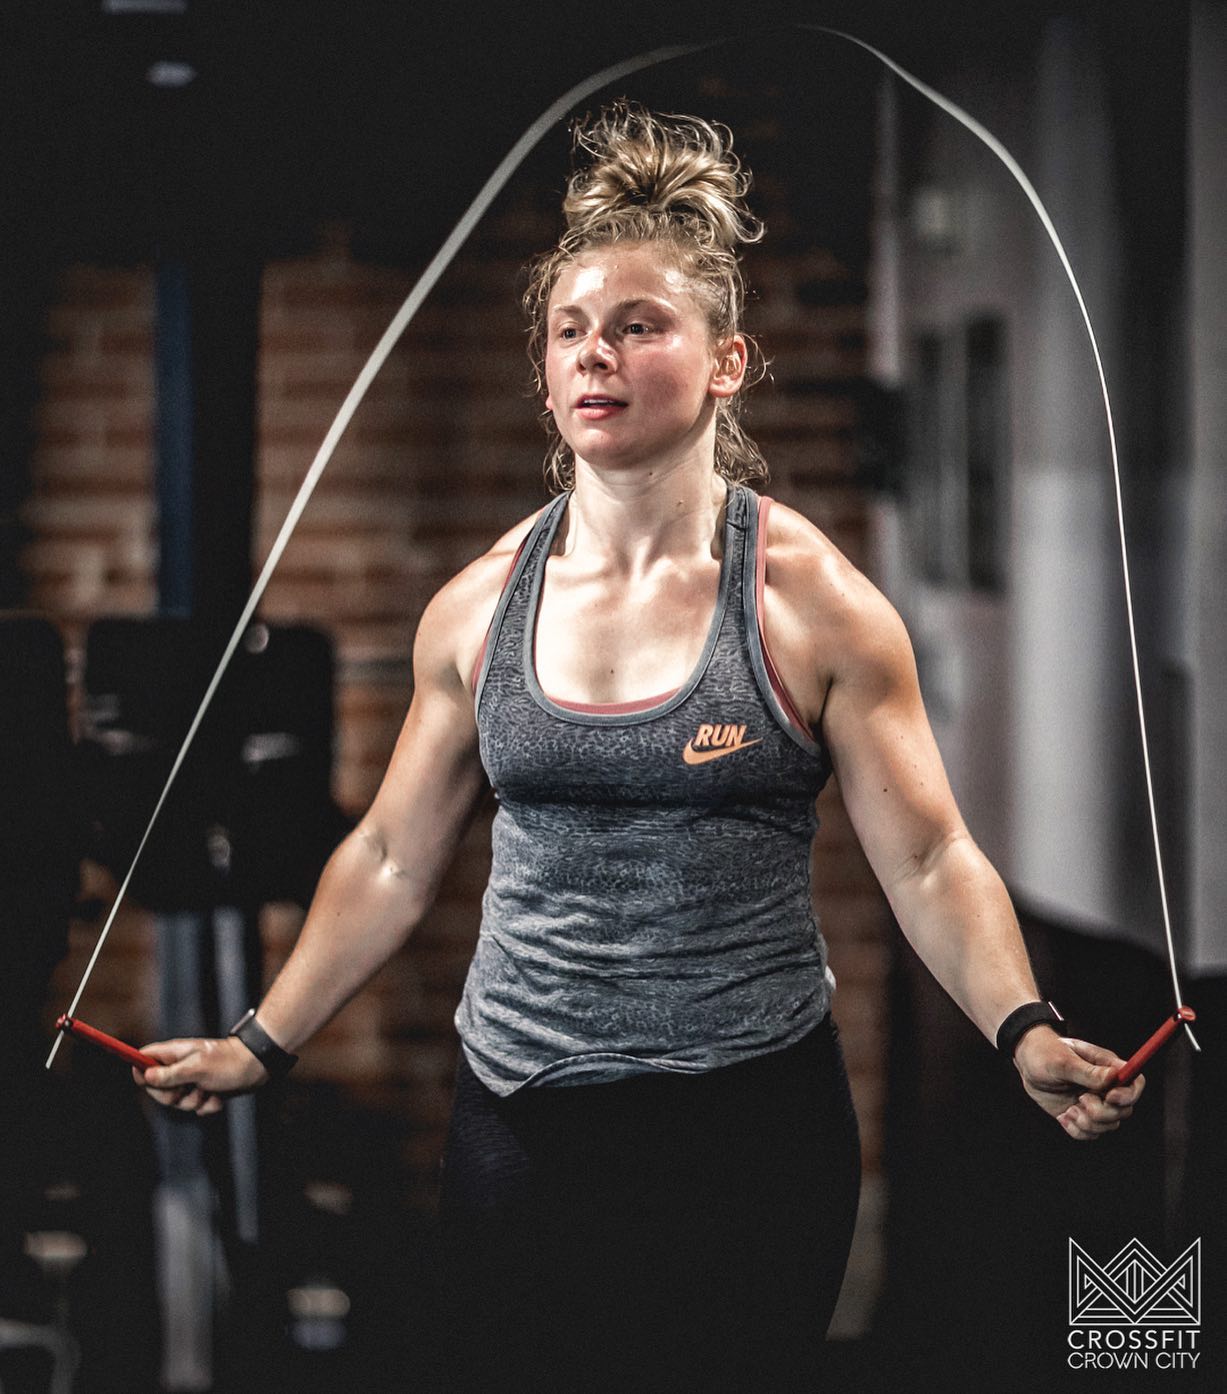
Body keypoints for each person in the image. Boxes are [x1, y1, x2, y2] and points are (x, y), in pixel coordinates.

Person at [133, 103, 1145, 1390]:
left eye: (637, 325)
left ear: (728, 362)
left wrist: (1023, 1028)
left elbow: (931, 856)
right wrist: (258, 1040)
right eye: (568, 330)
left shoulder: (812, 606)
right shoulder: (479, 608)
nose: (593, 354)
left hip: (749, 1127)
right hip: (521, 1116)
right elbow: (390, 854)